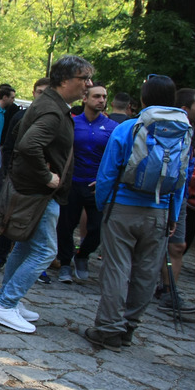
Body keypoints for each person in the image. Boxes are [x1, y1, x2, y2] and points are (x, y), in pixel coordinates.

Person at [0, 55, 92, 333]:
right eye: (84, 79)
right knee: (46, 250)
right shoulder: (53, 111)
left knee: (25, 245)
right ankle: (5, 305)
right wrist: (47, 177)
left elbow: (22, 136)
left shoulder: (50, 105)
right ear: (65, 80)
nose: (88, 85)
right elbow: (28, 143)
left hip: (36, 192)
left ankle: (9, 300)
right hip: (40, 194)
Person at [85, 74, 188, 350]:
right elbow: (180, 180)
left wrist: (103, 204)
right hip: (160, 212)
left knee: (117, 268)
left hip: (123, 207)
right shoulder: (184, 132)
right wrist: (173, 215)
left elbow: (108, 171)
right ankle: (128, 329)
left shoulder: (129, 128)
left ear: (142, 100)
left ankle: (108, 329)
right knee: (146, 272)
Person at [53, 82, 117, 283]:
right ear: (85, 99)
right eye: (97, 96)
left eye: (104, 97)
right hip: (72, 182)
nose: (101, 100)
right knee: (65, 225)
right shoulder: (72, 123)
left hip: (97, 185)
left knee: (97, 227)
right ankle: (65, 263)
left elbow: (116, 157)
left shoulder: (112, 127)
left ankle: (82, 255)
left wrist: (106, 179)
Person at [0, 77, 49, 273]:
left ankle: (38, 265)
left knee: (38, 223)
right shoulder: (21, 117)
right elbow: (8, 146)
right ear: (34, 93)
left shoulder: (56, 119)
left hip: (42, 183)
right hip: (17, 178)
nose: (42, 96)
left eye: (46, 92)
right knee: (7, 219)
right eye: (40, 92)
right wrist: (5, 173)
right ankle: (0, 257)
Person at [155, 87, 195, 318]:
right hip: (162, 196)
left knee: (177, 246)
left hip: (180, 198)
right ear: (184, 109)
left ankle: (169, 291)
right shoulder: (169, 129)